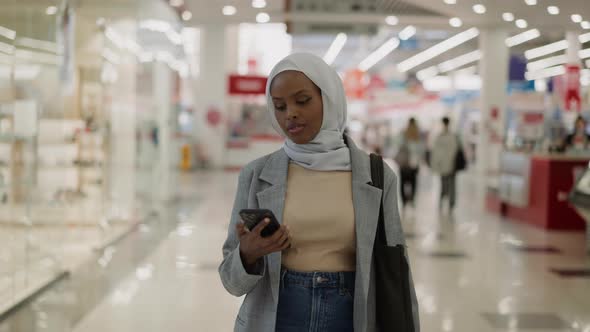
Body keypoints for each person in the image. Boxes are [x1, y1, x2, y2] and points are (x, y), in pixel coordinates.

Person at [218, 53, 419, 332]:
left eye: (302, 101)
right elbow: (230, 280)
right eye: (279, 106)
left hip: (350, 318)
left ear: (330, 98)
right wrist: (248, 255)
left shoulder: (376, 176)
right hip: (276, 317)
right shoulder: (256, 175)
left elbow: (397, 270)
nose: (290, 113)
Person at [431, 117, 459, 212]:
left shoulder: (442, 136)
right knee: (449, 185)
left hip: (446, 165)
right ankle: (450, 203)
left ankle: (445, 202)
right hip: (449, 165)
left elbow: (436, 152)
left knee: (445, 184)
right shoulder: (452, 136)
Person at [395, 118, 426, 207]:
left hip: (404, 162)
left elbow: (398, 144)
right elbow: (421, 149)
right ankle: (412, 199)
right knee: (413, 181)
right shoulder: (418, 135)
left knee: (403, 182)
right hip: (414, 162)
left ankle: (404, 200)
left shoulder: (404, 134)